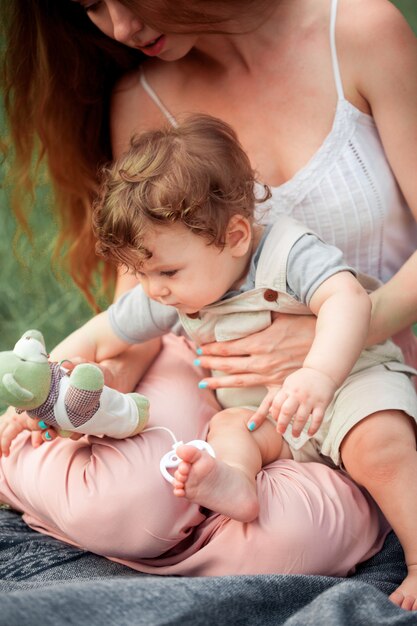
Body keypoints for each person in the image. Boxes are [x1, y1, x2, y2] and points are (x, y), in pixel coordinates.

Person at [1, 0, 417, 611]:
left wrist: (325, 350)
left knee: (319, 507)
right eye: (93, 5)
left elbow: (343, 299)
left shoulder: (358, 31)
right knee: (142, 490)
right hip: (227, 384)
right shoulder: (140, 96)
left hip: (350, 367)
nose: (121, 28)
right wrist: (52, 392)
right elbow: (125, 321)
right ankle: (199, 491)